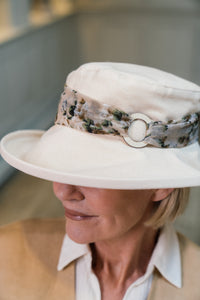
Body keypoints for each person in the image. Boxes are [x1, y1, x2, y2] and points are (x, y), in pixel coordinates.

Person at [1, 62, 200, 300]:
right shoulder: (7, 251)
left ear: (161, 185)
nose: (62, 191)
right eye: (62, 166)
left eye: (91, 173)